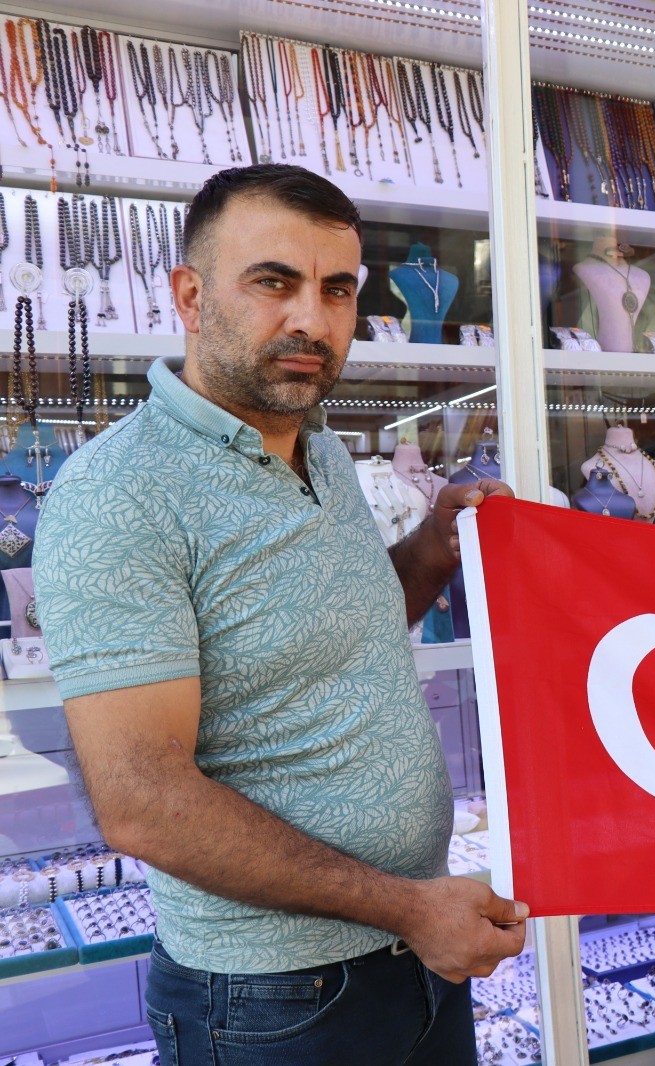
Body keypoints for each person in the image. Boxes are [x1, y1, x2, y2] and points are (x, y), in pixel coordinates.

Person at [33, 164, 522, 1065]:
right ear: (188, 294)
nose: (312, 319)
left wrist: (428, 551)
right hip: (273, 1003)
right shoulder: (119, 495)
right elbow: (142, 804)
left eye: (338, 291)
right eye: (274, 282)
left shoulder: (318, 444)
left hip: (419, 956)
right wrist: (410, 905)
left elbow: (338, 631)